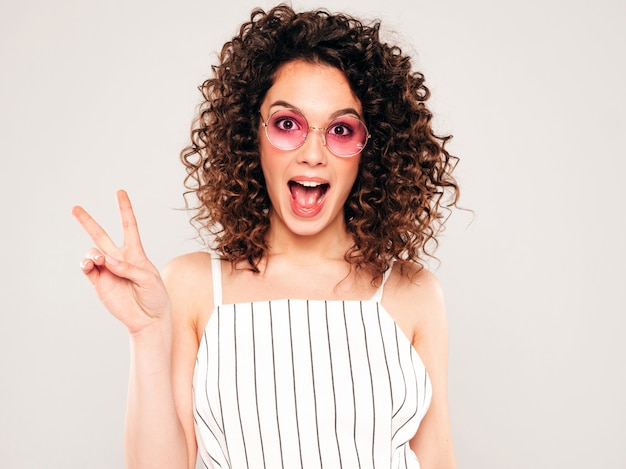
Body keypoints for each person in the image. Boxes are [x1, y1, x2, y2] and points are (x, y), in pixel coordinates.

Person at [72, 4, 460, 469]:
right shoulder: (193, 287)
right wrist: (146, 331)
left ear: (370, 150)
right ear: (249, 135)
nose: (312, 154)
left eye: (340, 129)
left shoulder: (412, 293)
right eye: (287, 124)